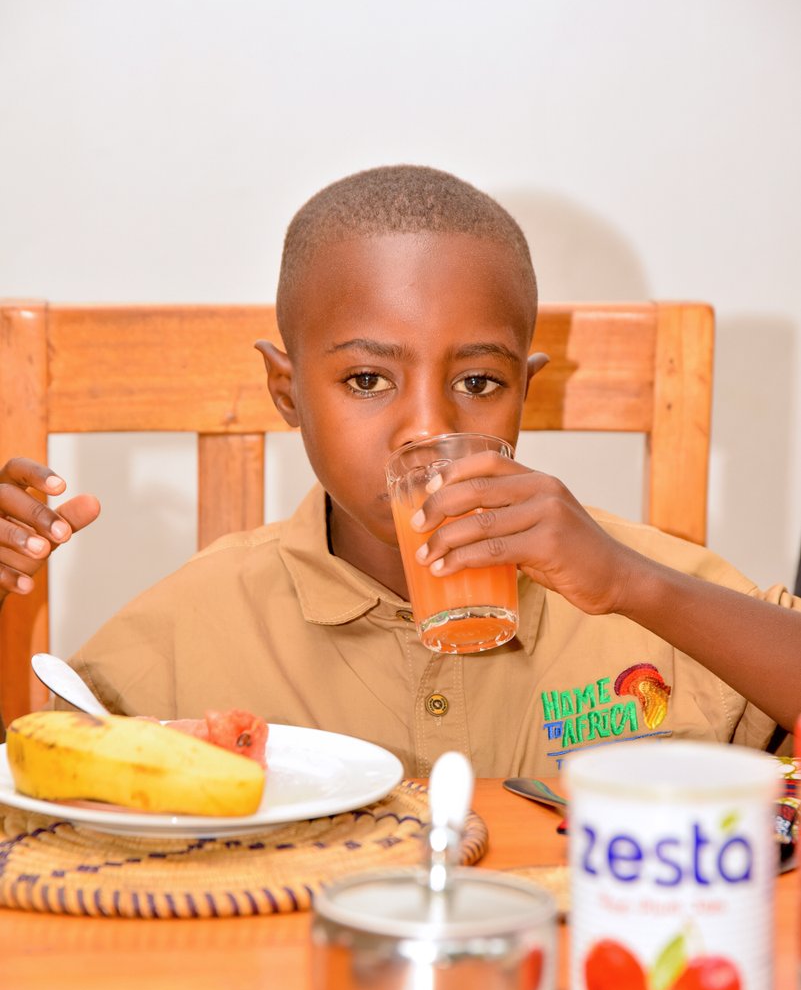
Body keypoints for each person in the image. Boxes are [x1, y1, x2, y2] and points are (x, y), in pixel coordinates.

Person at [1, 165, 800, 778]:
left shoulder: (646, 589)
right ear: (286, 391)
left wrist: (632, 585)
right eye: (366, 381)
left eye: (478, 384)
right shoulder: (188, 629)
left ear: (525, 388)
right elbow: (40, 789)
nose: (428, 428)